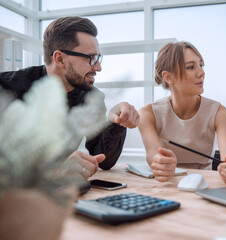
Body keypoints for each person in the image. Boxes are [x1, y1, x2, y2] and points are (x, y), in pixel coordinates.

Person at [0, 17, 139, 179]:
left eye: (98, 59)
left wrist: (116, 122)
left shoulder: (92, 97)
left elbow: (104, 161)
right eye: (91, 58)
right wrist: (52, 167)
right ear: (59, 59)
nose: (99, 68)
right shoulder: (5, 88)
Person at [138, 41, 226, 184]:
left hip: (204, 185)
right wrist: (159, 163)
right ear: (168, 77)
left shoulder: (220, 113)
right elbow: (153, 155)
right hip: (166, 185)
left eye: (201, 65)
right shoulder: (147, 114)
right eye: (191, 67)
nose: (201, 73)